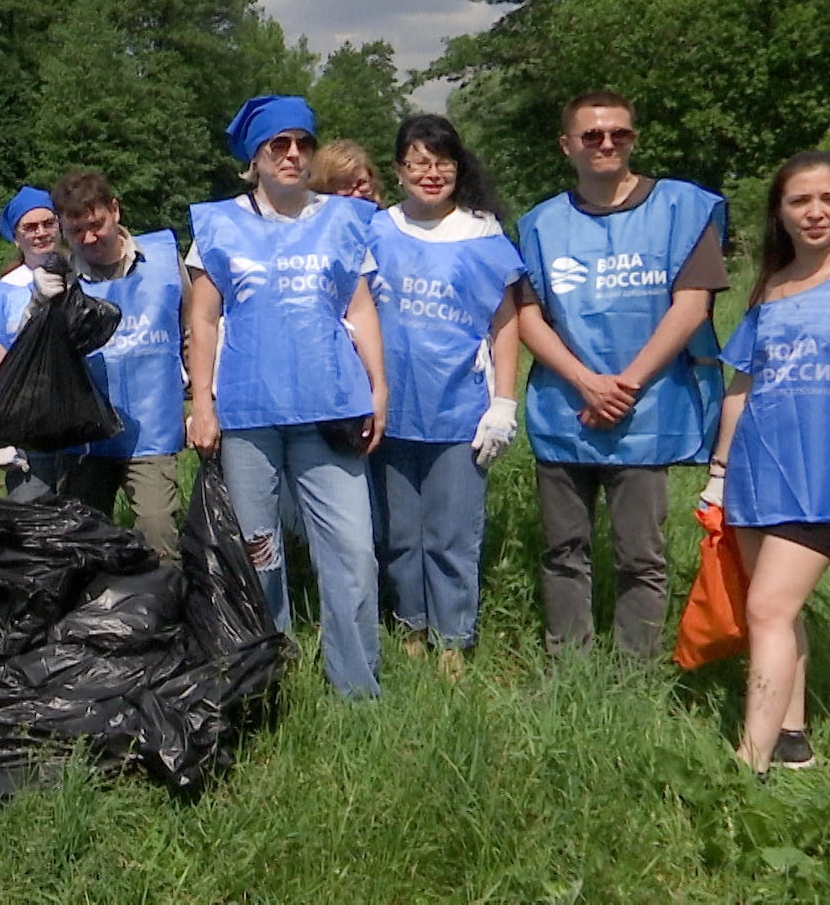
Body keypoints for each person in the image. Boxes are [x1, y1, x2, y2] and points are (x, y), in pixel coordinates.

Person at [186, 95, 389, 698]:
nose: (294, 154)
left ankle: (356, 686)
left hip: (330, 407)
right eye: (280, 144)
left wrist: (378, 391)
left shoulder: (344, 220)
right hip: (248, 414)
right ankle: (265, 675)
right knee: (259, 552)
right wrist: (202, 404)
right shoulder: (218, 225)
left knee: (353, 551)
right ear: (256, 155)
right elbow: (202, 320)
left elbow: (359, 307)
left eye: (304, 142)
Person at [517, 91, 726, 657]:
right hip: (566, 411)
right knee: (563, 550)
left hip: (646, 410)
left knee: (641, 555)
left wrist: (622, 385)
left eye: (619, 133)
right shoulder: (539, 224)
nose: (606, 143)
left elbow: (692, 306)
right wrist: (587, 382)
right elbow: (527, 316)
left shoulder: (682, 209)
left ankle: (635, 670)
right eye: (592, 135)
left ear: (634, 138)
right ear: (567, 146)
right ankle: (568, 665)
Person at [700, 151, 830, 776]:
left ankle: (751, 763)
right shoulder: (770, 286)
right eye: (800, 201)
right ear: (780, 212)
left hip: (828, 479)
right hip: (756, 473)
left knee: (768, 610)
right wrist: (719, 473)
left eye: (828, 198)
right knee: (776, 612)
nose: (815, 212)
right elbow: (742, 386)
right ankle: (793, 739)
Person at [366, 115, 524, 675]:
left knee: (453, 535)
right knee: (400, 534)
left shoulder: (483, 234)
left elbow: (505, 323)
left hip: (459, 408)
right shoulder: (375, 230)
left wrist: (503, 403)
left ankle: (453, 639)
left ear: (459, 168)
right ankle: (409, 626)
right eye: (419, 162)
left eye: (442, 162)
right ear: (400, 170)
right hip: (389, 412)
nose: (431, 174)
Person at [47, 170, 188, 559]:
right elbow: (36, 354)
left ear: (115, 210)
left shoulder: (162, 262)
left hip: (151, 425)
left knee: (156, 528)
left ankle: (164, 613)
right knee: (82, 537)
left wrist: (204, 400)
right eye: (77, 231)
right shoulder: (58, 278)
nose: (90, 238)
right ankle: (89, 616)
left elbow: (191, 330)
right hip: (85, 432)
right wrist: (41, 305)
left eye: (97, 225)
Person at [0, 186, 66, 493]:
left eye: (47, 223)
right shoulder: (3, 292)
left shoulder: (83, 274)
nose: (40, 233)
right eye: (30, 227)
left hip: (78, 424)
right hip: (29, 429)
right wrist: (4, 435)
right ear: (16, 238)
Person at [310, 139, 382, 205]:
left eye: (362, 182)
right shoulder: (310, 217)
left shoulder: (384, 218)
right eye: (344, 186)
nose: (357, 194)